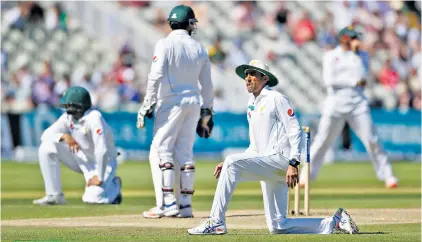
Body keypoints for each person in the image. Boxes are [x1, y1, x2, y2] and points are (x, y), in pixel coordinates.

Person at [188, 60, 359, 235]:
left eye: (252, 74)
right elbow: (255, 148)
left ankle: (216, 221)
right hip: (266, 162)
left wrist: (294, 163)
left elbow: (294, 131)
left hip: (281, 160)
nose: (247, 77)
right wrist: (230, 165)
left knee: (232, 163)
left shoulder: (276, 98)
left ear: (264, 78)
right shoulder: (251, 104)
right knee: (278, 226)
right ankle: (335, 222)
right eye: (246, 74)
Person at [137, 4, 214, 218]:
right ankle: (185, 205)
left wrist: (147, 103)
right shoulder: (199, 48)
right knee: (185, 152)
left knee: (161, 149)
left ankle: (168, 203)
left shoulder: (164, 44)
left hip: (171, 102)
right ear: (189, 24)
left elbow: (155, 75)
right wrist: (207, 111)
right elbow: (207, 84)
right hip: (194, 103)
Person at [299, 26, 398, 188]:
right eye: (352, 37)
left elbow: (363, 77)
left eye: (356, 37)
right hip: (335, 103)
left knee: (372, 140)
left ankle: (388, 176)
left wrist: (357, 54)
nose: (355, 40)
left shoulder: (362, 55)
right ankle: (306, 175)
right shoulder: (331, 56)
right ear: (343, 38)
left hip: (357, 103)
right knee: (322, 140)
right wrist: (352, 82)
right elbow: (329, 81)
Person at [33, 86, 122, 205]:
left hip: (105, 164)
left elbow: (101, 150)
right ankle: (54, 195)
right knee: (46, 147)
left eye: (69, 105)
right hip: (83, 160)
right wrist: (64, 136)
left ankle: (114, 187)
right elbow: (45, 135)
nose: (66, 107)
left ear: (78, 107)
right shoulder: (68, 117)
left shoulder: (94, 117)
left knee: (92, 199)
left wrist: (99, 177)